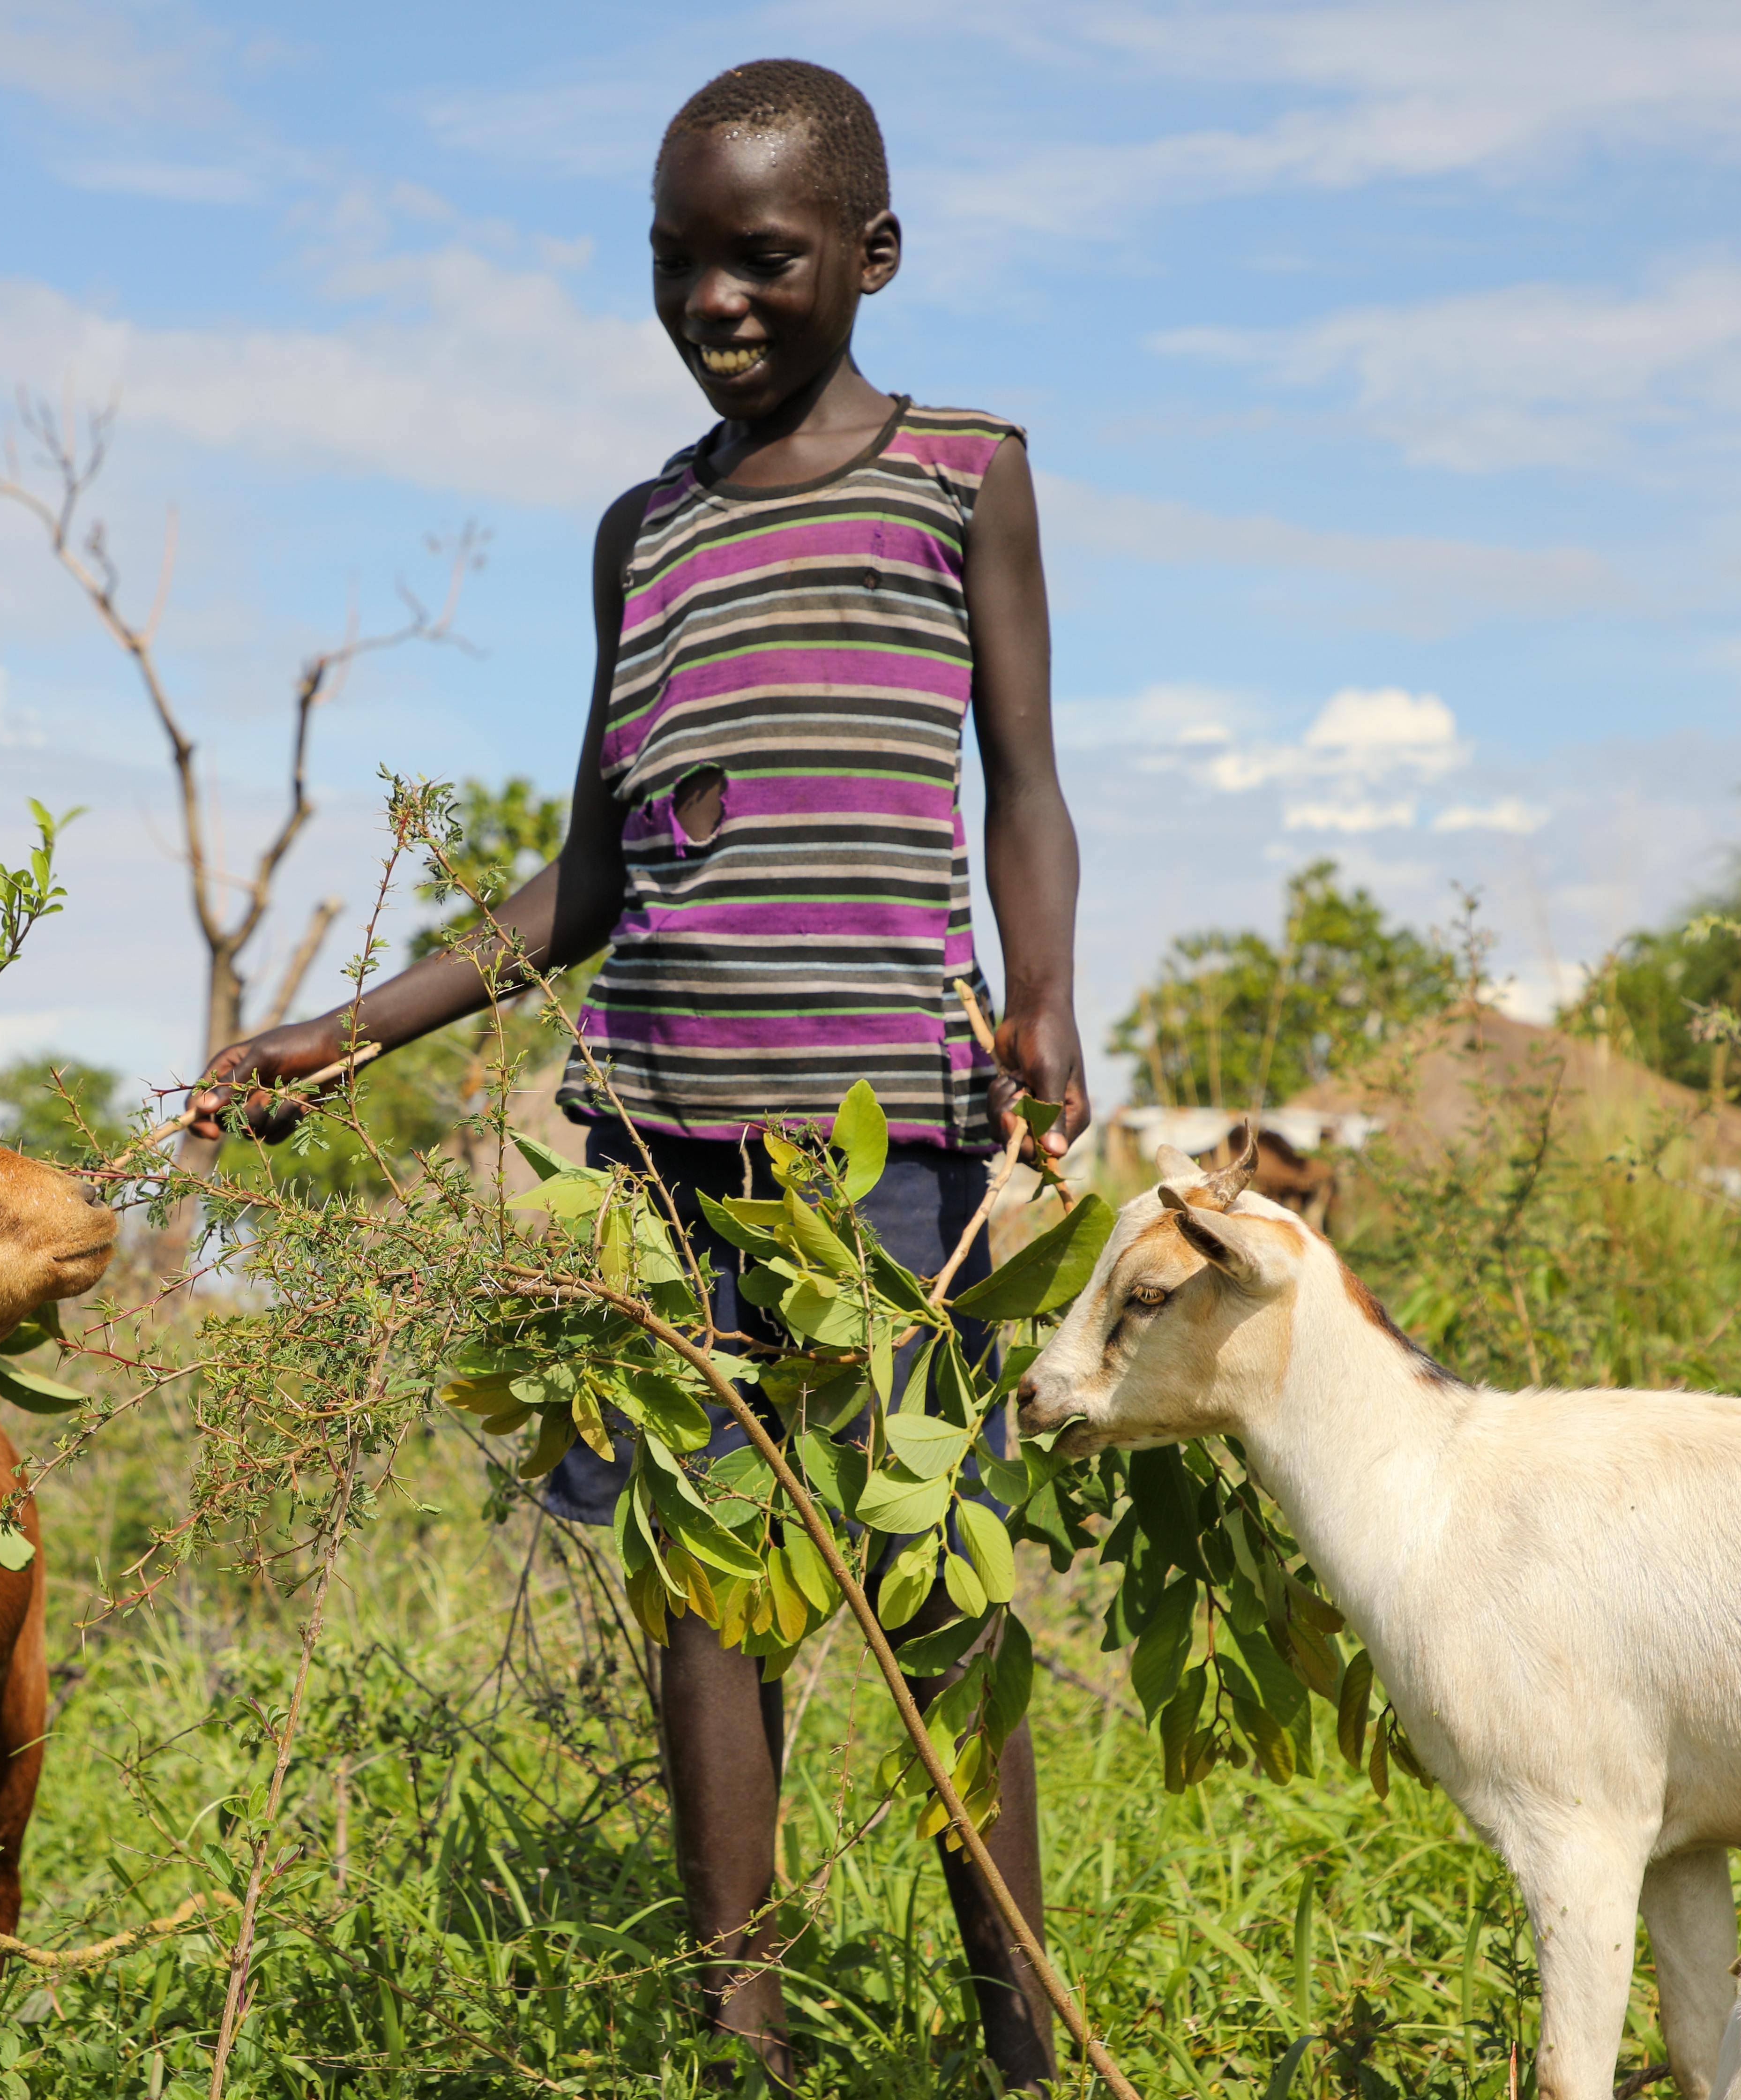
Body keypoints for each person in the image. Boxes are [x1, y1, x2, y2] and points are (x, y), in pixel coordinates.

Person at [190, 57, 1084, 2091]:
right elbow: (589, 879)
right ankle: (738, 2045)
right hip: (662, 1158)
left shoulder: (965, 474)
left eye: (760, 259)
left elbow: (1028, 781)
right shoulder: (645, 534)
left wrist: (1046, 993)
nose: (716, 304)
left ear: (869, 254)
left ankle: (1023, 2047)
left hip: (894, 1162)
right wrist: (346, 1030)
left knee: (942, 1596)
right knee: (704, 1599)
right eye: (676, 264)